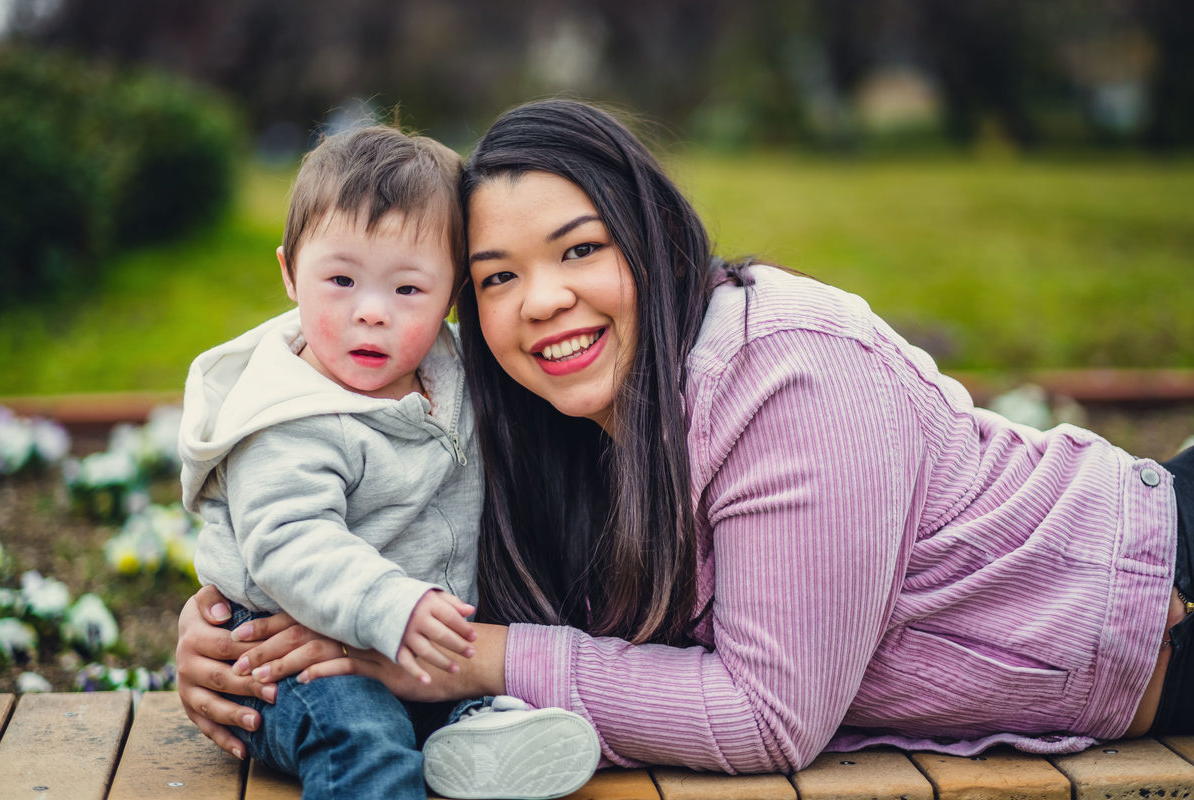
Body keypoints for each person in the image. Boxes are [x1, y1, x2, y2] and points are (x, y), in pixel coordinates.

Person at [175, 99, 1194, 778]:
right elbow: (415, 537)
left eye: (580, 249)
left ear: (654, 237)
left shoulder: (792, 372)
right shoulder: (543, 419)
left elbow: (767, 713)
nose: (543, 301)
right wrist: (232, 631)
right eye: (495, 276)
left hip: (1155, 595)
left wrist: (466, 659)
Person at [177, 123, 598, 800]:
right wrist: (393, 607)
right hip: (291, 661)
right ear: (289, 273)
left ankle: (479, 741)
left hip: (412, 644)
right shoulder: (289, 416)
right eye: (341, 280)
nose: (371, 313)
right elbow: (288, 541)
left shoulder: (453, 371)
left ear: (451, 292)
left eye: (408, 291)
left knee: (465, 700)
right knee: (364, 735)